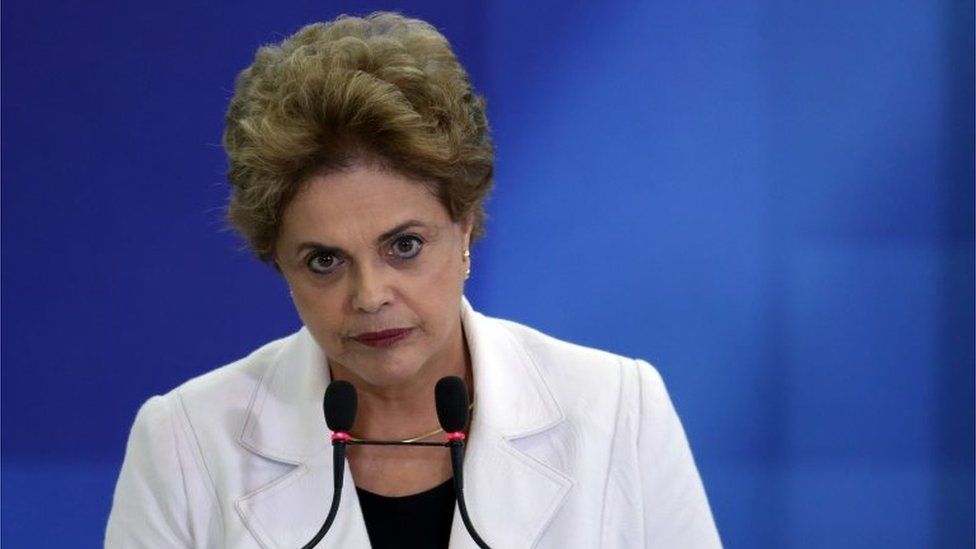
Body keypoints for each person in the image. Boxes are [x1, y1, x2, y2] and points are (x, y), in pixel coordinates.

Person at [105, 12, 721, 548]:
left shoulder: (616, 411)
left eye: (404, 246)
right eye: (325, 261)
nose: (370, 295)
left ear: (465, 228)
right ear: (279, 264)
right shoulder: (187, 442)